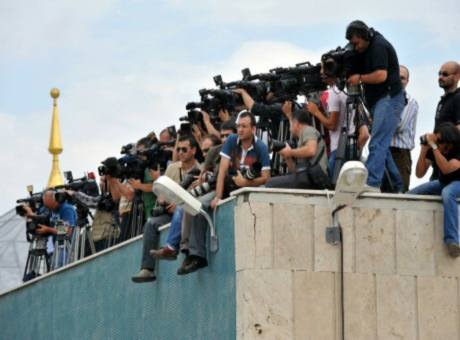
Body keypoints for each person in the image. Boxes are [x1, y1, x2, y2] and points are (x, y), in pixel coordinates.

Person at [175, 111, 271, 275]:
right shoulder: (232, 141)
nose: (240, 130)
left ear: (253, 129)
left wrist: (246, 182)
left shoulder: (261, 147)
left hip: (248, 189)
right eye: (239, 126)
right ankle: (197, 256)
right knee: (198, 206)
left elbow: (266, 178)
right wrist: (218, 196)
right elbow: (223, 170)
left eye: (244, 126)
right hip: (227, 185)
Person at [131, 135, 201, 283]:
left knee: (181, 209)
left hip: (186, 211)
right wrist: (164, 201)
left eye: (184, 149)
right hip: (169, 212)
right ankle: (147, 269)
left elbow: (196, 195)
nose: (180, 152)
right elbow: (161, 194)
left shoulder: (200, 170)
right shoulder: (172, 168)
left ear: (194, 150)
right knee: (151, 223)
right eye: (178, 149)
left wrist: (178, 203)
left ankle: (172, 250)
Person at [346, 20, 405, 192]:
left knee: (377, 143)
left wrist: (360, 78)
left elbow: (381, 75)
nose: (355, 47)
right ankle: (397, 186)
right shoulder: (364, 48)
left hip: (389, 98)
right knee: (382, 147)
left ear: (364, 36)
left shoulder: (378, 45)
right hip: (380, 101)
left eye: (356, 43)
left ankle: (372, 183)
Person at [307, 63, 370, 176]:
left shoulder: (333, 93)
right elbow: (365, 133)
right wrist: (357, 150)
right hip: (351, 146)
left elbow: (332, 125)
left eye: (323, 68)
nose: (321, 72)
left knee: (334, 186)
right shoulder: (350, 91)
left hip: (339, 149)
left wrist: (316, 112)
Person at [408, 123, 460, 257]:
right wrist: (424, 150)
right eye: (437, 141)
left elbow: (447, 169)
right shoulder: (435, 146)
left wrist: (434, 147)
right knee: (410, 195)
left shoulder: (457, 147)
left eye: (441, 143)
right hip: (444, 182)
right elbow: (419, 174)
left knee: (448, 193)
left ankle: (452, 241)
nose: (439, 145)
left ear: (450, 143)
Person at [266, 109, 329, 189]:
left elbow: (311, 150)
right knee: (275, 181)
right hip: (306, 177)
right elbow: (293, 171)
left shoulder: (308, 130)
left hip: (315, 177)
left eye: (291, 123)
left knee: (270, 183)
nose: (290, 128)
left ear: (295, 123)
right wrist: (287, 156)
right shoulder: (300, 140)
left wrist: (290, 152)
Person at [389, 65, 419, 192]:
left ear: (407, 81)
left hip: (400, 155)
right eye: (397, 76)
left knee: (399, 194)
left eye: (403, 78)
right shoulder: (384, 99)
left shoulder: (410, 101)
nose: (399, 80)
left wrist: (377, 120)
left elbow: (398, 126)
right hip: (384, 150)